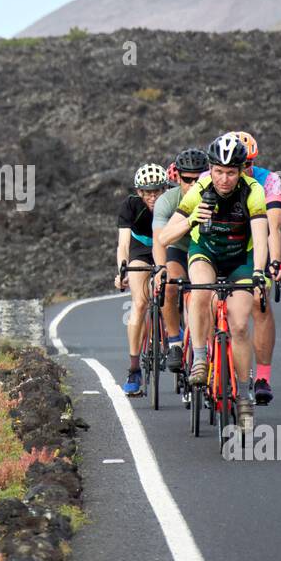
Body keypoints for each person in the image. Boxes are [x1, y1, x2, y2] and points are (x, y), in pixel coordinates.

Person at [156, 135, 268, 402]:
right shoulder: (201, 188)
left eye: (231, 172)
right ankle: (200, 358)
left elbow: (261, 237)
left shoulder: (253, 191)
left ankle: (242, 395)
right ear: (211, 169)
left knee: (239, 325)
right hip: (205, 254)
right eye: (218, 171)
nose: (224, 179)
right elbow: (164, 237)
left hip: (240, 259)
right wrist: (192, 220)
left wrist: (259, 272)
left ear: (241, 171)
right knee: (200, 293)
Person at [226, 131, 281, 404]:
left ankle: (262, 377)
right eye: (241, 164)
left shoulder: (270, 180)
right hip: (224, 243)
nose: (245, 169)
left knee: (259, 302)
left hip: (255, 245)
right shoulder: (216, 178)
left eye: (249, 163)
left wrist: (274, 262)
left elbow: (273, 226)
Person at [152, 148, 208, 372]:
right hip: (178, 248)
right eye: (187, 179)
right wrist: (159, 269)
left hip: (204, 250)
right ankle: (175, 342)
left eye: (199, 179)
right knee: (169, 286)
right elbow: (159, 240)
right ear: (177, 178)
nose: (193, 185)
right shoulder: (167, 200)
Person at [115, 163, 168, 395]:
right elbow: (123, 244)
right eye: (147, 191)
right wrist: (122, 271)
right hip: (140, 250)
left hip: (166, 247)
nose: (153, 196)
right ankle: (134, 369)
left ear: (165, 189)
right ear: (139, 192)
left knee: (175, 292)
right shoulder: (130, 205)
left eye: (157, 190)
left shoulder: (173, 201)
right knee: (139, 303)